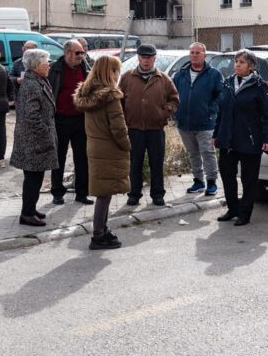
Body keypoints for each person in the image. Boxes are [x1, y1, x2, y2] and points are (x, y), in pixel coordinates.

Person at [72, 55, 130, 250]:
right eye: (116, 71)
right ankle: (98, 234)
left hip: (95, 146)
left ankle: (103, 229)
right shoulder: (111, 96)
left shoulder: (88, 93)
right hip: (109, 148)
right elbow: (118, 128)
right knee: (105, 194)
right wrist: (127, 145)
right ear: (110, 72)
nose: (118, 75)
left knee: (103, 191)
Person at [212, 49, 268, 226]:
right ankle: (233, 209)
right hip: (227, 140)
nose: (237, 65)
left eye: (242, 62)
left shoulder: (259, 86)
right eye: (236, 61)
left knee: (249, 179)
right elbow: (221, 112)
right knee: (227, 175)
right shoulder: (227, 83)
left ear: (251, 66)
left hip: (250, 141)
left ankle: (245, 213)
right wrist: (216, 134)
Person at [120, 44, 179, 206]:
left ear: (154, 58)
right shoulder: (127, 78)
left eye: (149, 58)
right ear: (138, 58)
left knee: (157, 163)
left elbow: (174, 99)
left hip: (156, 129)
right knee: (135, 163)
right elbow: (119, 101)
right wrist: (124, 118)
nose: (146, 61)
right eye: (143, 57)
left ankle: (158, 195)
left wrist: (166, 111)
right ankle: (134, 194)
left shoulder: (164, 79)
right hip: (134, 129)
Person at [10, 48, 58, 226]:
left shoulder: (37, 80)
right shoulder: (31, 84)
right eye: (46, 62)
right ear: (37, 65)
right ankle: (27, 214)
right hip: (33, 140)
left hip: (36, 139)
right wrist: (45, 132)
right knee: (32, 178)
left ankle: (30, 208)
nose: (49, 65)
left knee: (36, 177)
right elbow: (32, 115)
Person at [173, 42, 225, 196]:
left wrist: (211, 111)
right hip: (184, 123)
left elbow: (220, 96)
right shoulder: (180, 74)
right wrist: (176, 113)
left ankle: (211, 182)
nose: (194, 55)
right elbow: (172, 94)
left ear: (204, 55)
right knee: (192, 153)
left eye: (197, 53)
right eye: (192, 52)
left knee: (208, 153)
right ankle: (198, 181)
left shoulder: (214, 74)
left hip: (206, 123)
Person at [47, 39, 92, 205]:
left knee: (82, 158)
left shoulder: (85, 68)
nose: (81, 56)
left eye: (83, 52)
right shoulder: (55, 69)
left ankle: (82, 192)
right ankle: (57, 192)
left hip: (80, 119)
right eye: (78, 53)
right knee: (58, 157)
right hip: (60, 120)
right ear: (67, 53)